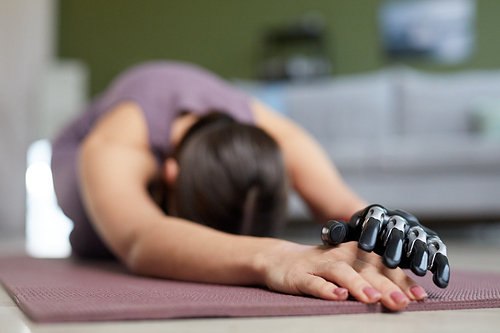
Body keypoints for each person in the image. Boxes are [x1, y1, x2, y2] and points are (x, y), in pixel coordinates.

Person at [51, 60, 429, 311]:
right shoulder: (116, 141)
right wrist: (277, 256)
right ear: (170, 174)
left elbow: (345, 205)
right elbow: (141, 237)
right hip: (84, 173)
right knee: (105, 243)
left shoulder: (275, 134)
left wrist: (386, 229)